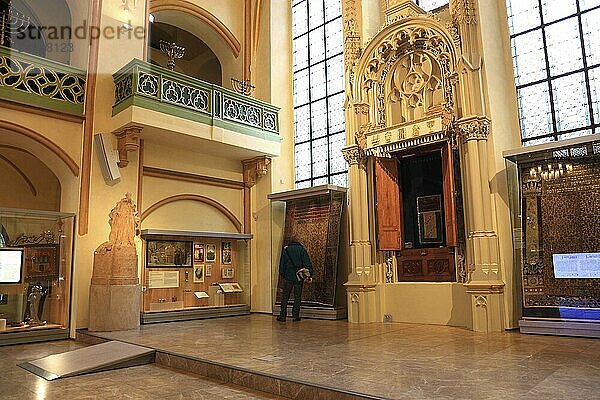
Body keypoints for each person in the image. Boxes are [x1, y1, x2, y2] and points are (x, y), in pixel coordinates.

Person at [277, 239, 313, 322]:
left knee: (285, 296)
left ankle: (282, 315)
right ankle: (295, 316)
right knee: (297, 296)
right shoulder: (302, 249)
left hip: (288, 275)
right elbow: (307, 263)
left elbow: (282, 264)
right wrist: (309, 274)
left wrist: (283, 274)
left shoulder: (286, 250)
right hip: (298, 276)